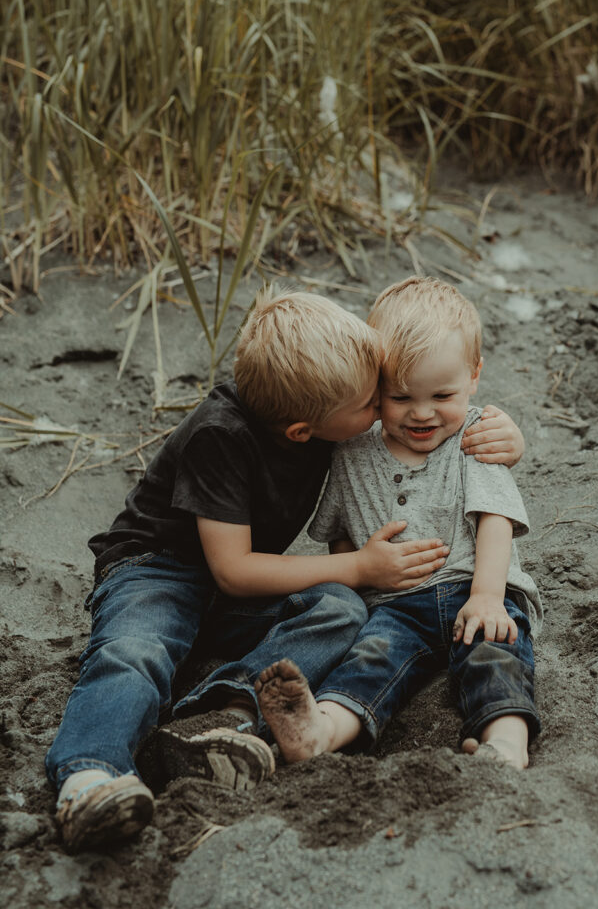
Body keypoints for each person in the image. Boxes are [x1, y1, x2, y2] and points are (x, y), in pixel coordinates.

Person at [46, 287, 524, 854]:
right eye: (375, 402)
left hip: (240, 588)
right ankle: (89, 777)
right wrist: (362, 564)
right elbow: (233, 573)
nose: (384, 413)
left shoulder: (324, 416)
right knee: (136, 651)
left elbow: (430, 407)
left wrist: (507, 436)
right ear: (306, 430)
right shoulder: (220, 435)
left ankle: (226, 715)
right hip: (160, 570)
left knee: (339, 607)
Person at [254, 276, 543, 771]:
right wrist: (365, 593)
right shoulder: (352, 449)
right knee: (369, 661)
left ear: (474, 375)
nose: (423, 413)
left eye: (442, 394)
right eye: (401, 397)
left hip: (471, 587)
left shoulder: (478, 435)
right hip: (395, 605)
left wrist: (488, 597)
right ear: (375, 387)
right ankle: (320, 729)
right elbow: (341, 533)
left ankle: (506, 746)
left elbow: (495, 520)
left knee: (494, 654)